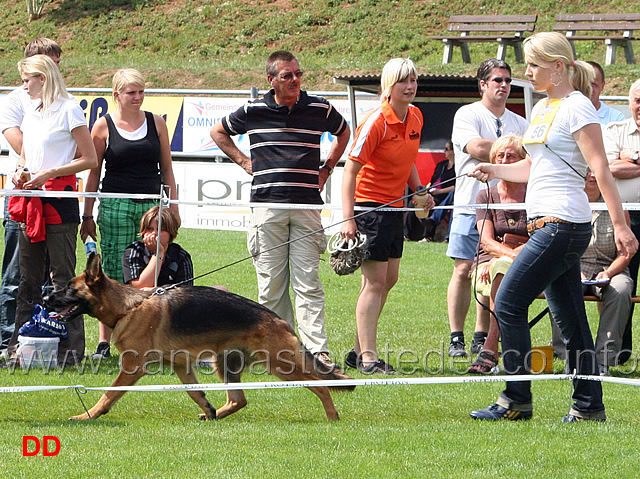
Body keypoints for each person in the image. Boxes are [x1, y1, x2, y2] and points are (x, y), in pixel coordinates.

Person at [469, 32, 637, 422]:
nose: (526, 73)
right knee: (572, 319)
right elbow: (533, 166)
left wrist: (621, 226)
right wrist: (492, 168)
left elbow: (601, 171)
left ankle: (516, 399)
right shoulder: (545, 107)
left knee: (508, 301)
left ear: (558, 67)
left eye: (533, 65)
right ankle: (589, 406)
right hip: (548, 223)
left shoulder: (578, 108)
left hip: (562, 224)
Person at [209, 51, 350, 368]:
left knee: (308, 283)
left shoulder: (319, 107)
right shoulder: (252, 110)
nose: (295, 80)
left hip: (306, 207)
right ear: (270, 80)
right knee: (271, 286)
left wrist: (327, 167)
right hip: (267, 206)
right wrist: (244, 161)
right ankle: (277, 350)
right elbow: (217, 132)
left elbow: (344, 132)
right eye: (287, 76)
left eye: (298, 74)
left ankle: (317, 351)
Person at [340, 58, 434, 374]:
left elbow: (407, 160)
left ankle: (357, 352)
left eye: (413, 81)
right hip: (369, 208)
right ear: (388, 87)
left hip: (396, 208)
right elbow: (349, 170)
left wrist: (419, 190)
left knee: (388, 280)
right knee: (374, 282)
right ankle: (368, 358)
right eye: (402, 81)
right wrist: (348, 217)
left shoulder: (417, 116)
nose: (410, 87)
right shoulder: (376, 121)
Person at [81, 68, 180, 360]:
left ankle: (146, 336)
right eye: (131, 92)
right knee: (111, 271)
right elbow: (93, 172)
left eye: (141, 92)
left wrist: (173, 207)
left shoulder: (156, 122)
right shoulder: (102, 125)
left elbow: (168, 170)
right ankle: (104, 342)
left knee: (151, 267)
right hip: (114, 205)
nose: (137, 97)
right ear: (117, 95)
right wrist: (87, 215)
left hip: (151, 205)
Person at [6, 54, 98, 367]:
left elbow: (90, 158)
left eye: (27, 80)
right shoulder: (32, 110)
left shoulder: (70, 108)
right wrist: (22, 170)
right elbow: (25, 153)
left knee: (64, 280)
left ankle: (72, 352)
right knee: (27, 280)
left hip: (59, 202)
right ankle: (19, 348)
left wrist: (48, 173)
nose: (24, 86)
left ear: (43, 78)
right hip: (30, 202)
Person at [446, 58, 529, 358]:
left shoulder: (520, 121)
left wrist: (507, 154)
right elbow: (477, 148)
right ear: (482, 84)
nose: (504, 86)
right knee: (463, 269)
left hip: (507, 205)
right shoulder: (467, 114)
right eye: (498, 80)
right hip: (470, 202)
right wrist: (509, 150)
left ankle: (481, 336)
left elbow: (529, 156)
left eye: (508, 80)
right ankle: (457, 336)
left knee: (490, 270)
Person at [0, 37, 63, 354]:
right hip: (23, 200)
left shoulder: (64, 101)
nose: (56, 68)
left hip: (56, 200)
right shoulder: (14, 100)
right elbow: (21, 145)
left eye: (58, 62)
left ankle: (49, 339)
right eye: (50, 62)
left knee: (54, 278)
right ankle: (9, 340)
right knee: (16, 276)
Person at [468, 135, 527, 374]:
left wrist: (516, 258)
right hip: (488, 266)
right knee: (501, 268)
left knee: (504, 268)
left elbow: (542, 235)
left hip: (527, 264)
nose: (504, 160)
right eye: (499, 156)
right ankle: (492, 345)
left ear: (523, 162)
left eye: (511, 156)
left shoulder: (535, 193)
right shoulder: (486, 195)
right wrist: (514, 257)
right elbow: (487, 242)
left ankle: (490, 349)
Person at [580, 170, 633, 376]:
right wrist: (574, 271)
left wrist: (608, 272)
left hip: (610, 267)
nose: (592, 175)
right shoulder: (569, 203)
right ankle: (572, 356)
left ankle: (603, 361)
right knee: (563, 284)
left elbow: (626, 252)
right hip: (574, 267)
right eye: (587, 171)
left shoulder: (617, 206)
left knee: (621, 289)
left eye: (596, 171)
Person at [602, 79, 640, 364]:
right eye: (637, 100)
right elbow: (607, 167)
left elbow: (620, 167)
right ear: (629, 103)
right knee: (626, 283)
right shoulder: (614, 131)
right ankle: (620, 353)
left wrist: (633, 159)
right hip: (626, 217)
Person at [122, 205, 193, 289]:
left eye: (161, 230)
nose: (154, 233)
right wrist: (158, 254)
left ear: (171, 233)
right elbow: (139, 288)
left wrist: (156, 290)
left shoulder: (181, 256)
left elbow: (185, 293)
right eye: (150, 229)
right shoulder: (133, 251)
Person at [587, 61, 626, 125]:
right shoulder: (567, 113)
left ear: (602, 86)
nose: (588, 88)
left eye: (593, 84)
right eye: (584, 83)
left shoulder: (616, 119)